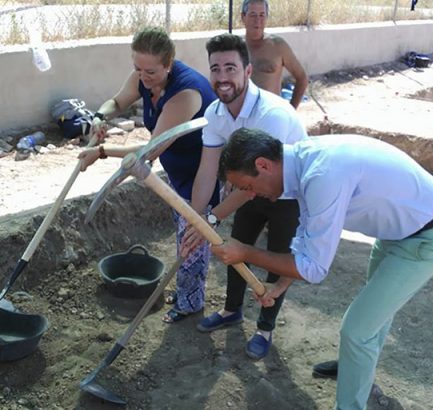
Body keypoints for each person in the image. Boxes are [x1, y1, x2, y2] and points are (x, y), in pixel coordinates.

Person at [210, 128, 433, 410]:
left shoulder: (321, 176)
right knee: (373, 317)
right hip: (399, 231)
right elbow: (306, 242)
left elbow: (315, 268)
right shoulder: (304, 165)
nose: (252, 195)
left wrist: (245, 252)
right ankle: (356, 369)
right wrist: (280, 285)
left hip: (427, 236)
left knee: (357, 330)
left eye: (247, 187)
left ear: (263, 165)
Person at [77, 27, 220, 324]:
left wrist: (102, 151)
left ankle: (190, 302)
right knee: (185, 232)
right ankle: (186, 293)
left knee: (192, 235)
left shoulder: (186, 94)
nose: (143, 76)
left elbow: (150, 150)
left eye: (151, 71)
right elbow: (117, 102)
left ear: (169, 64)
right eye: (137, 68)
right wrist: (100, 117)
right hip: (177, 169)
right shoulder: (144, 75)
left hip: (202, 172)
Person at [180, 33, 307, 360]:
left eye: (230, 68)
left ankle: (265, 327)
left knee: (278, 258)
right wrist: (195, 221)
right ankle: (231, 310)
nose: (222, 77)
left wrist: (211, 218)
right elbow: (207, 171)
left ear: (248, 71)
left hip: (289, 192)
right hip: (249, 190)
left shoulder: (272, 115)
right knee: (234, 249)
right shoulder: (216, 114)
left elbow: (255, 184)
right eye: (216, 69)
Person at [241, 0, 308, 109]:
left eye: (262, 15)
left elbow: (302, 78)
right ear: (243, 17)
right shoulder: (237, 48)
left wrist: (291, 111)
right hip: (243, 115)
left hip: (271, 114)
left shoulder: (278, 46)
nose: (258, 20)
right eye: (253, 15)